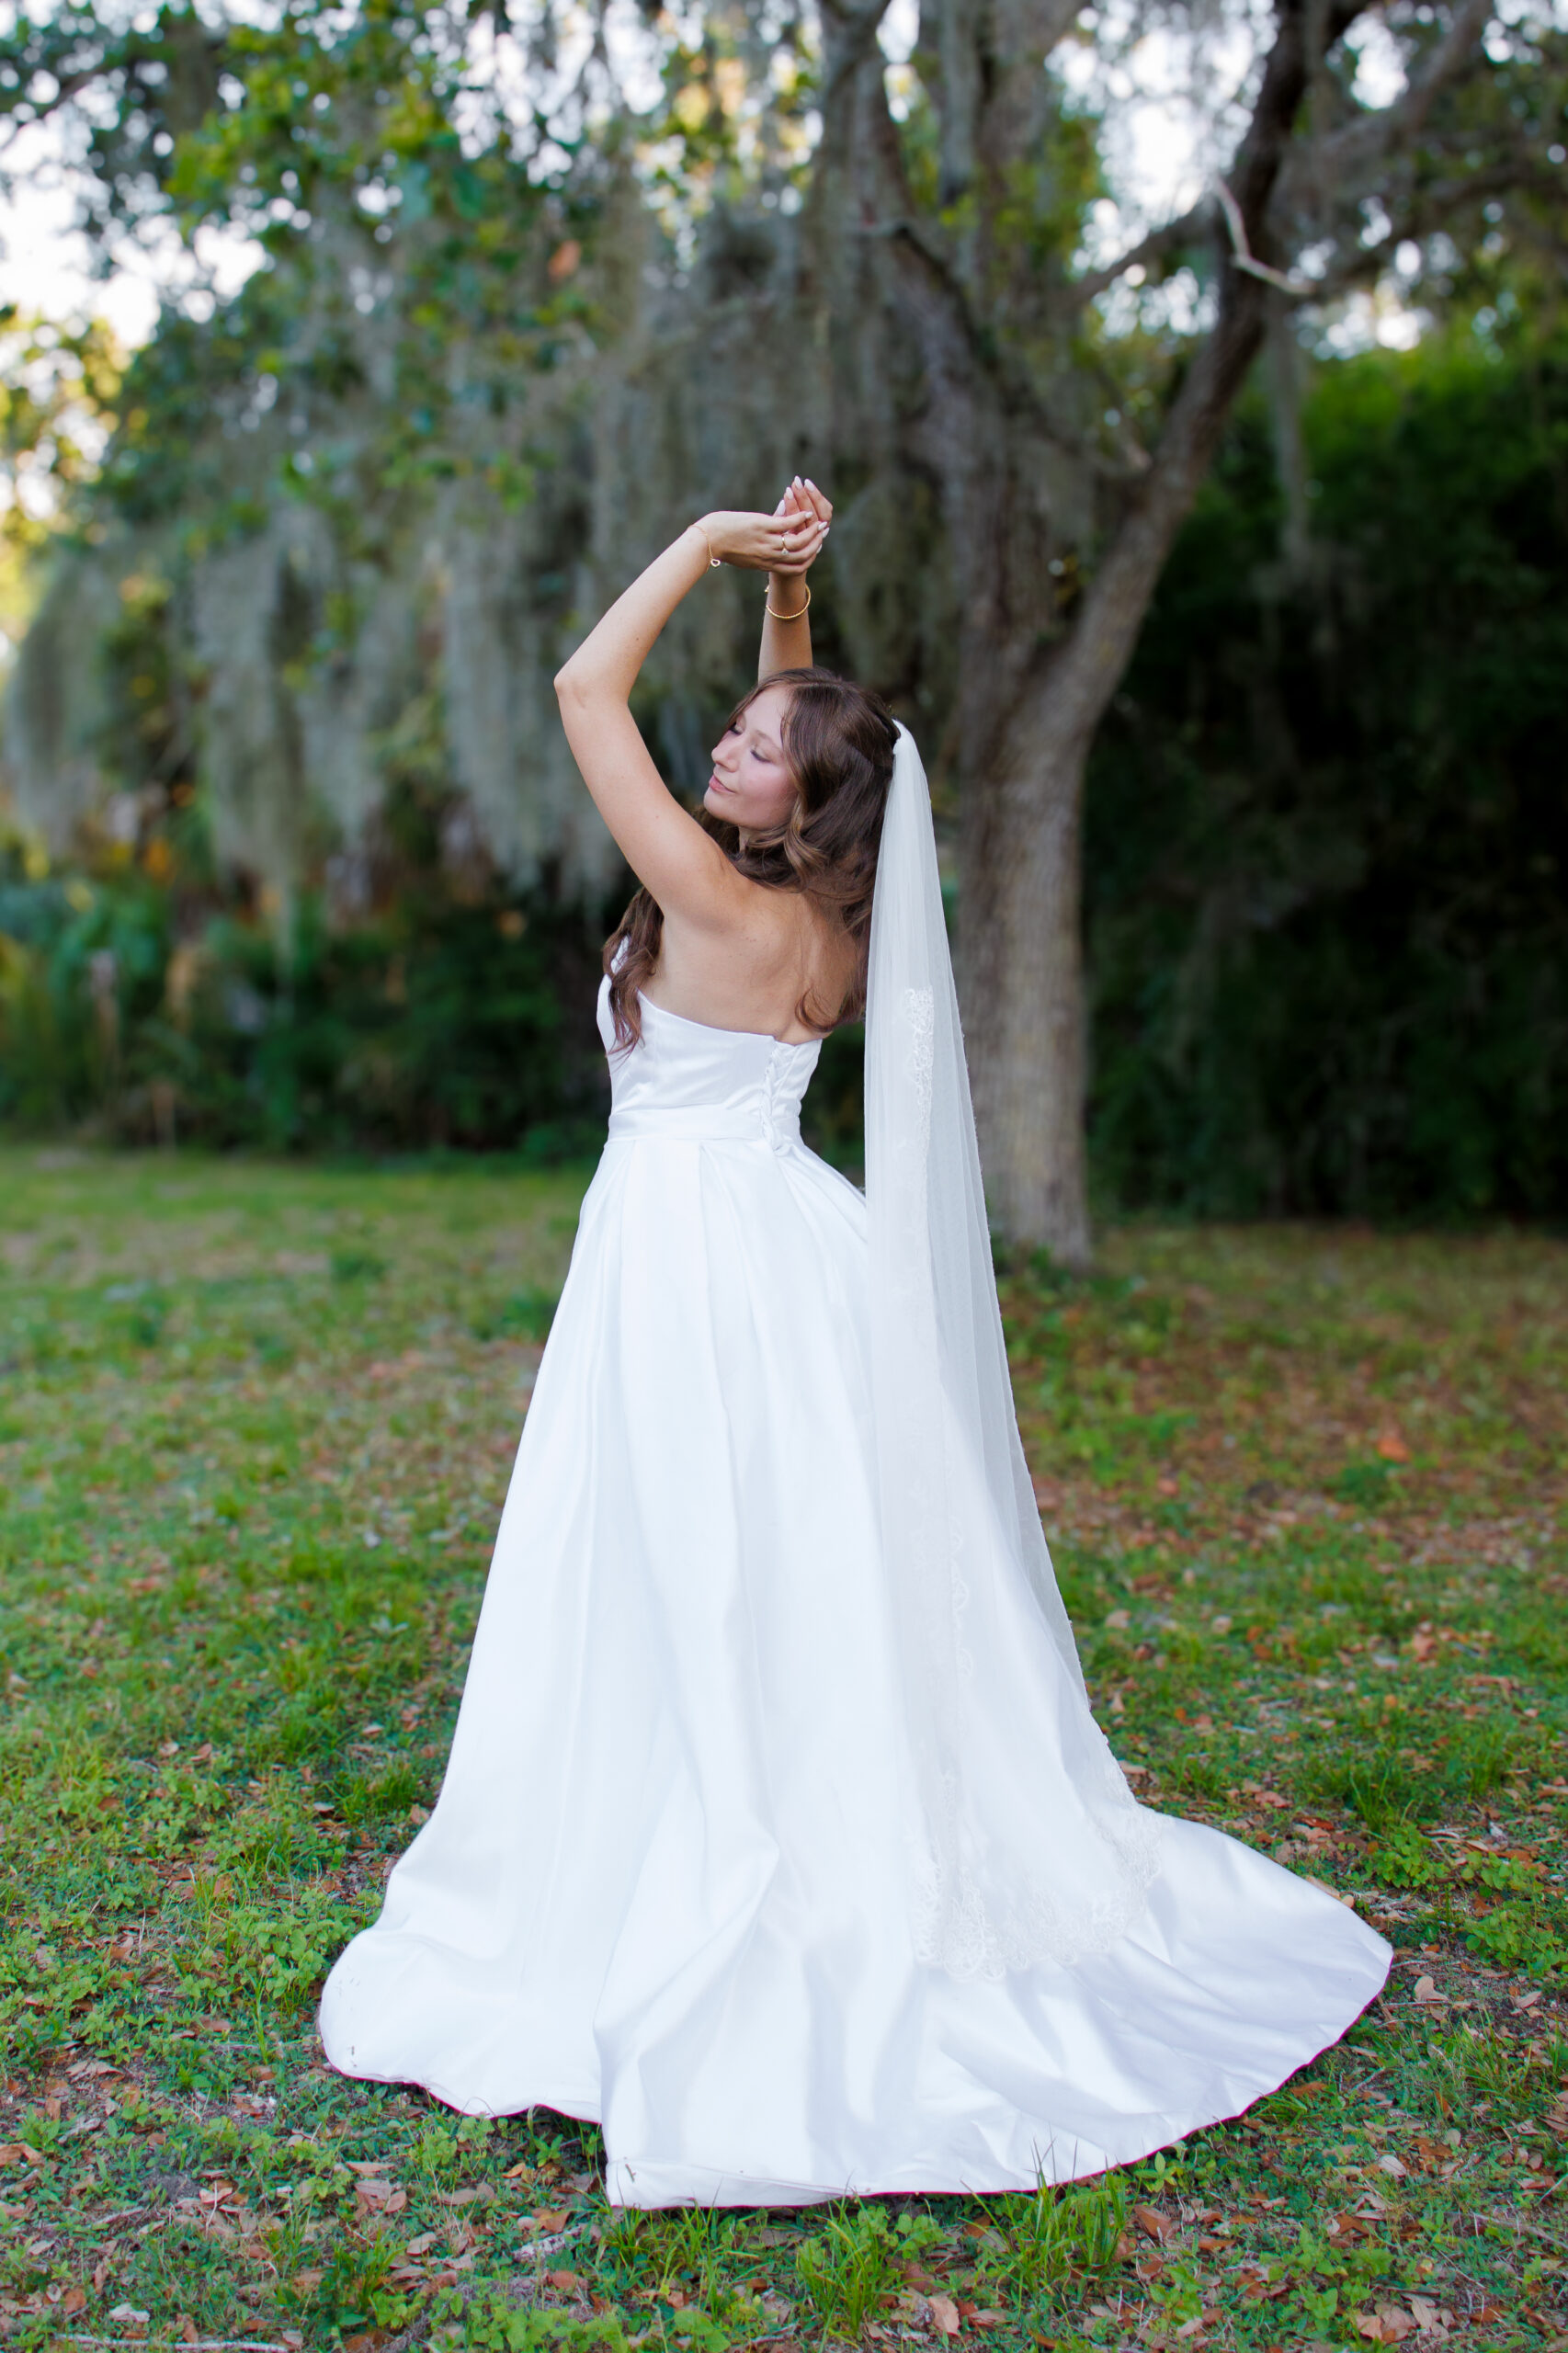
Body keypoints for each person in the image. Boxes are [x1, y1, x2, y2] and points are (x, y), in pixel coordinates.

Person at [319, 481, 1391, 2208]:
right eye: (731, 740)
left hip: (686, 1263)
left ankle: (705, 1852)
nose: (722, 754)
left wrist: (704, 537)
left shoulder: (713, 900)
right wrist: (792, 603)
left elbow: (583, 694)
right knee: (800, 1566)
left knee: (691, 1558)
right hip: (784, 1253)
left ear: (802, 804)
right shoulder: (825, 921)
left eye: (750, 751)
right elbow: (808, 736)